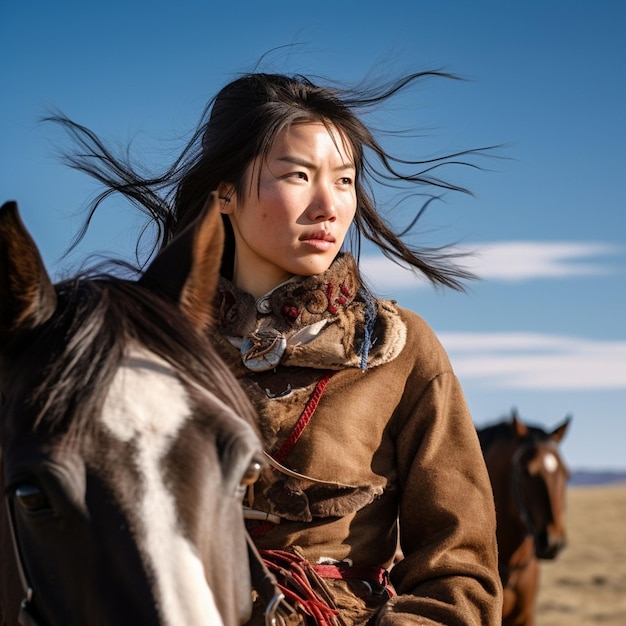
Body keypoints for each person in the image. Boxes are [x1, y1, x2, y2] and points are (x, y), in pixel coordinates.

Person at [49, 70, 502, 625]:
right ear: (225, 191)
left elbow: (460, 569)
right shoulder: (145, 350)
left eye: (343, 180)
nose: (327, 206)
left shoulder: (398, 350)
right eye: (298, 176)